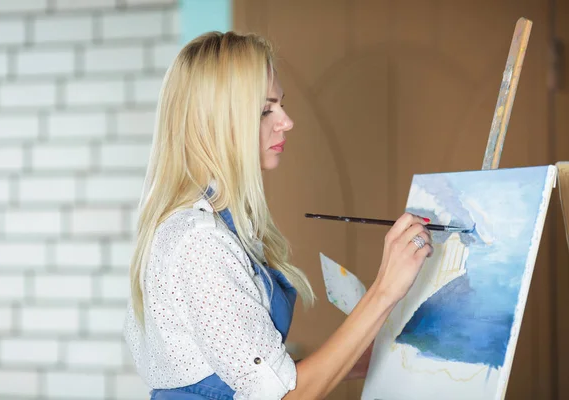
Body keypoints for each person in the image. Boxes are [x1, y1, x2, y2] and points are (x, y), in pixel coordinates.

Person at [123, 31, 433, 400]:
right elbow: (285, 397)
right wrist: (385, 290)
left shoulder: (223, 225)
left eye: (281, 105)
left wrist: (371, 355)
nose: (286, 122)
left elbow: (270, 374)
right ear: (218, 122)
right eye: (265, 110)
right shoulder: (199, 244)